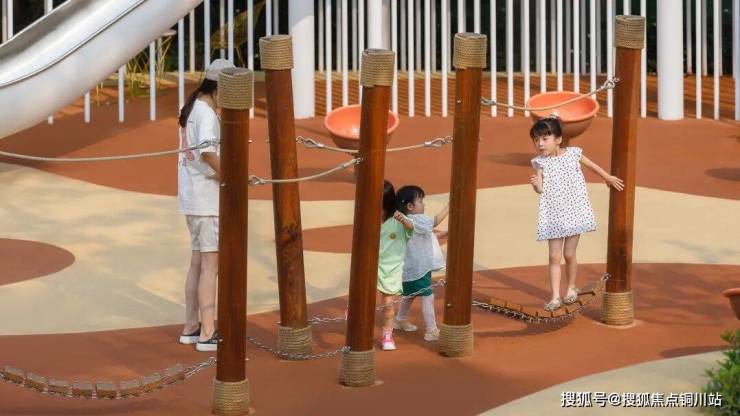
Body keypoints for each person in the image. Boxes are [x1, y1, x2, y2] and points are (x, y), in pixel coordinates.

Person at [528, 116, 624, 311]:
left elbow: (592, 166)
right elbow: (541, 190)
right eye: (536, 140)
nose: (540, 144)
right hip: (553, 214)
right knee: (554, 256)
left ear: (558, 139)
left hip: (574, 211)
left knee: (569, 254)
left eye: (545, 139)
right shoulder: (539, 163)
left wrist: (607, 177)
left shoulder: (573, 154)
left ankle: (571, 287)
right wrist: (536, 186)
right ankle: (555, 296)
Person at [177, 59, 234, 352]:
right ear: (218, 88)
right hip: (207, 199)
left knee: (198, 263)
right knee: (211, 266)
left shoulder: (190, 109)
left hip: (191, 196)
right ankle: (208, 332)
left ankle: (191, 326)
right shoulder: (207, 115)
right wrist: (233, 177)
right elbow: (209, 154)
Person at [393, 185, 449, 341]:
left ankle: (400, 319)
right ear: (410, 206)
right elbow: (435, 221)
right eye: (420, 201)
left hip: (411, 268)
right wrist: (449, 206)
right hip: (419, 268)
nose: (424, 204)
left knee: (409, 295)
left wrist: (438, 235)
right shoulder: (414, 220)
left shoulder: (408, 221)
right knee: (427, 296)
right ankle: (431, 329)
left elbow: (419, 237)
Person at [377, 180, 414, 351]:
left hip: (391, 268)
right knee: (361, 294)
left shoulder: (398, 219)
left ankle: (387, 335)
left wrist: (404, 221)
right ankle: (352, 308)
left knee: (388, 304)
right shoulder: (368, 217)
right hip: (371, 264)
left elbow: (411, 227)